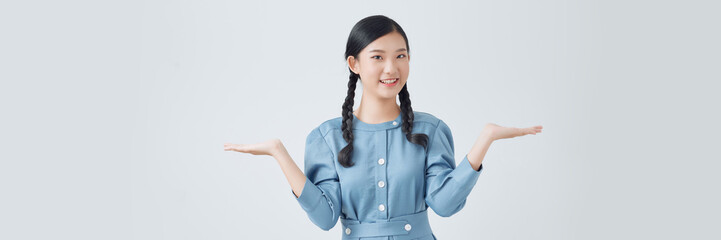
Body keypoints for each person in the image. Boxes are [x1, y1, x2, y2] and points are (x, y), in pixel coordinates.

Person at [224, 15, 543, 240]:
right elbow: (325, 218)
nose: (392, 68)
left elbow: (445, 206)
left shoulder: (431, 130)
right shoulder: (326, 138)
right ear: (354, 64)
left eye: (401, 56)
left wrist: (484, 141)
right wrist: (280, 154)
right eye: (378, 57)